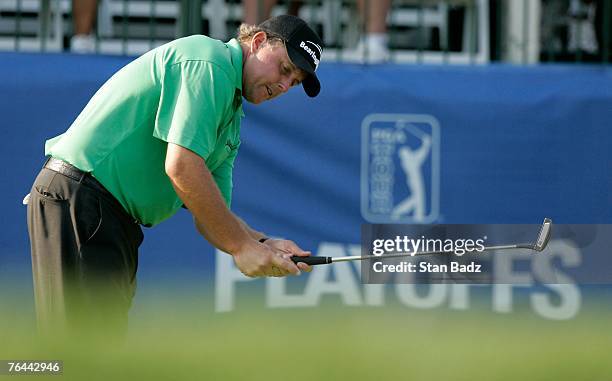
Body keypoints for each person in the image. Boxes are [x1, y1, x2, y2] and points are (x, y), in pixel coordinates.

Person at [26, 15, 323, 338]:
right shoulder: (210, 63)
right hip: (83, 200)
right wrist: (241, 248)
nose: (283, 86)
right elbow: (181, 166)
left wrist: (262, 243)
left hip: (104, 214)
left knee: (95, 352)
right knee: (81, 355)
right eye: (284, 69)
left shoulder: (231, 115)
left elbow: (210, 214)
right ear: (258, 41)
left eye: (293, 82)